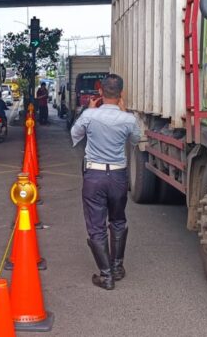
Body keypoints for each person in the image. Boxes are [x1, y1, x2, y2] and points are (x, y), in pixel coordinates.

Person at [70, 74, 140, 290]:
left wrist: (88, 110)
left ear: (100, 92)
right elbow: (136, 140)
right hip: (118, 176)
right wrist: (125, 112)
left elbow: (75, 135)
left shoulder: (90, 116)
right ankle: (118, 267)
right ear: (121, 94)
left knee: (96, 225)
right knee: (118, 221)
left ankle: (106, 275)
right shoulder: (128, 119)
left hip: (94, 176)